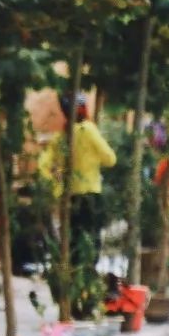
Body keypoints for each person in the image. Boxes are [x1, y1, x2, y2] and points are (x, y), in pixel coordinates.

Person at [37, 92, 117, 273]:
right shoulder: (88, 130)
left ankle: (74, 277)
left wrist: (56, 179)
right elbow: (110, 159)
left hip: (70, 197)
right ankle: (88, 278)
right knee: (91, 242)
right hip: (91, 195)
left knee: (74, 241)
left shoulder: (61, 137)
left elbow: (43, 165)